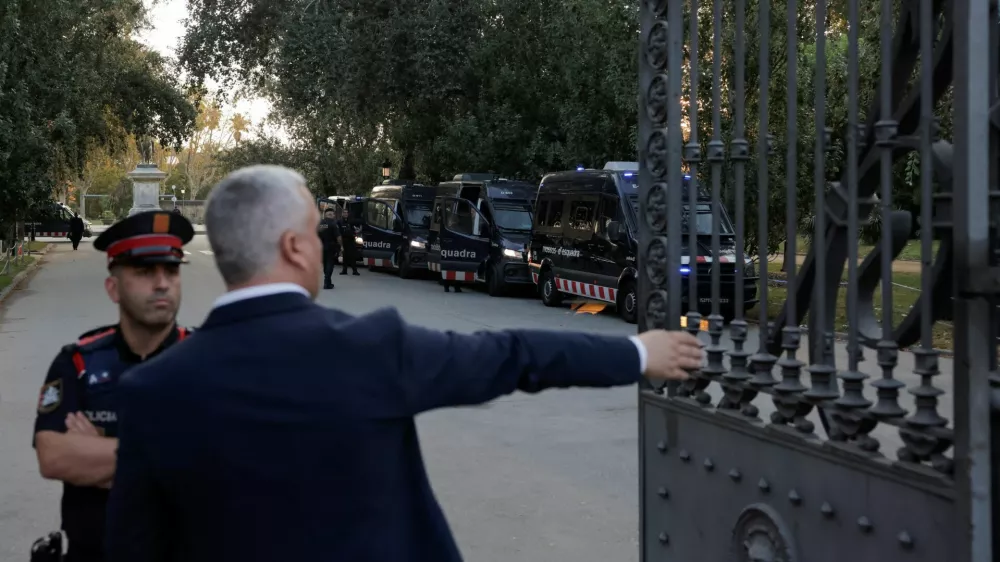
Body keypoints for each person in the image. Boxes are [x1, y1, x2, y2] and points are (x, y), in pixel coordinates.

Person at [104, 165, 704, 562]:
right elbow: (514, 355)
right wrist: (636, 351)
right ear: (292, 247)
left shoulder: (153, 390)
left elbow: (132, 549)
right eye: (315, 233)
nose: (321, 245)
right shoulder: (372, 348)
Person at [31, 210, 195, 562]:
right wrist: (177, 462)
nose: (162, 282)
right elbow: (53, 456)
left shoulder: (208, 362)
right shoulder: (78, 363)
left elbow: (228, 467)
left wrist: (101, 451)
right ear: (113, 287)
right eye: (144, 272)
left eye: (171, 270)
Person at [318, 206, 341, 289]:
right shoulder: (333, 224)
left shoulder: (320, 223)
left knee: (325, 264)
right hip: (331, 247)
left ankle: (328, 281)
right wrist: (341, 246)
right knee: (330, 264)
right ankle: (327, 282)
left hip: (321, 247)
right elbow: (338, 237)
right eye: (331, 214)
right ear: (332, 215)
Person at [339, 205, 360, 276]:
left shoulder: (351, 221)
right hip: (343, 240)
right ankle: (344, 270)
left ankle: (355, 270)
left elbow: (356, 229)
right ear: (342, 214)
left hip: (351, 240)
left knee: (353, 256)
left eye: (346, 212)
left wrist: (355, 233)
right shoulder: (339, 222)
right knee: (345, 256)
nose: (345, 214)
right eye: (344, 212)